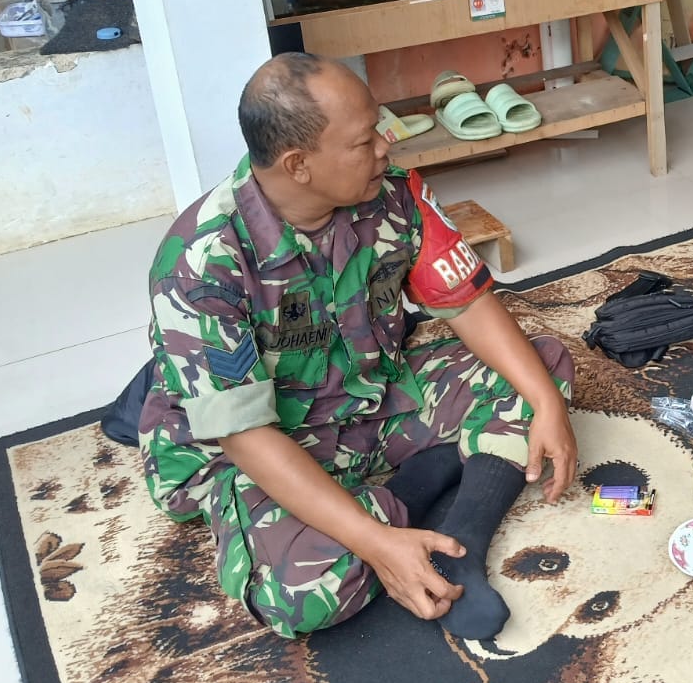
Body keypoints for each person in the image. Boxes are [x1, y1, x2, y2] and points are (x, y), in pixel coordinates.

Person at [138, 53, 577, 642]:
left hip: (373, 392)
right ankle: (412, 496)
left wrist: (546, 404)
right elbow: (245, 434)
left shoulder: (393, 194)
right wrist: (376, 544)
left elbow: (467, 303)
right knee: (300, 596)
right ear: (298, 165)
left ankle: (458, 546)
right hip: (269, 443)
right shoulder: (200, 262)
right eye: (363, 140)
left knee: (540, 372)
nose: (385, 147)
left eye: (380, 128)